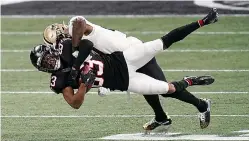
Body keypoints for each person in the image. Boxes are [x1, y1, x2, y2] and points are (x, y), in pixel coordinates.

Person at [42, 8, 218, 130]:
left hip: (131, 53)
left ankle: (201, 105)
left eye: (56, 42)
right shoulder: (73, 50)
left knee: (164, 87)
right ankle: (162, 118)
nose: (57, 47)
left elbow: (80, 26)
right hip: (121, 67)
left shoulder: (75, 29)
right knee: (155, 88)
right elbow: (95, 59)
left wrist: (74, 54)